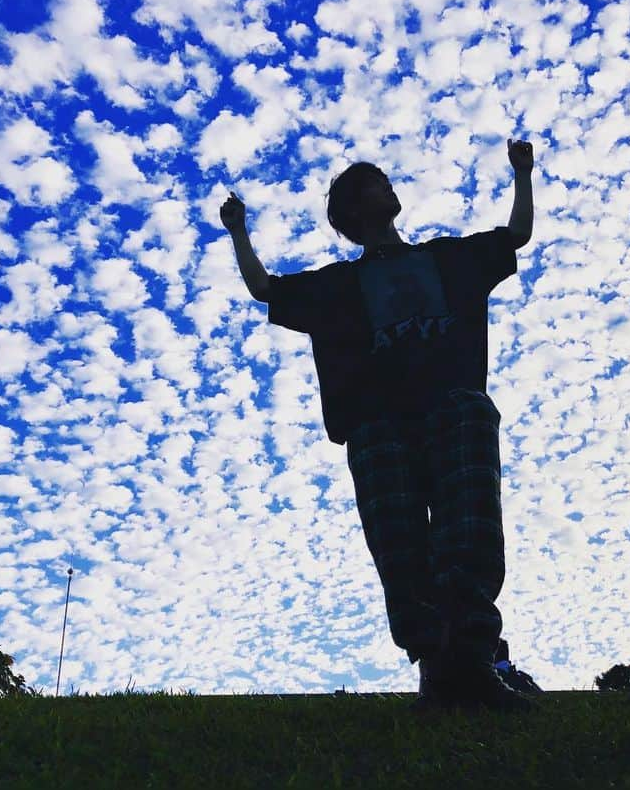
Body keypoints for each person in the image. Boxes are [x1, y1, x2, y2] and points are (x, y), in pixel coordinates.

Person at [220, 139, 540, 713]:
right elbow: (264, 288)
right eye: (374, 182)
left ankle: (470, 659)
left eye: (385, 181)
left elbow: (515, 236)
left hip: (452, 407)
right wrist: (238, 232)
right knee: (400, 545)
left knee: (468, 528)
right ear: (352, 210)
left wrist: (524, 173)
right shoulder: (335, 287)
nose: (387, 187)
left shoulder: (447, 259)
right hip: (377, 424)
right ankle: (439, 670)